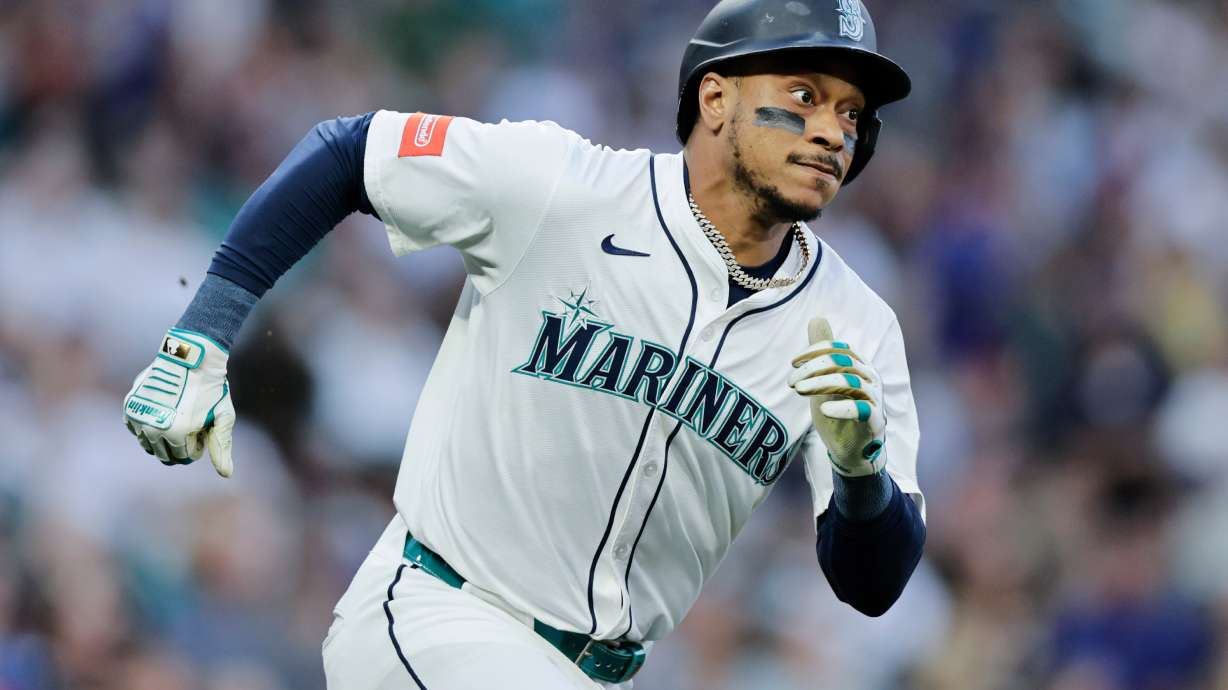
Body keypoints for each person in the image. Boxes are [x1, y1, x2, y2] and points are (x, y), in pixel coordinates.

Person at [121, 1, 926, 687]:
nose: (832, 131)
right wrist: (203, 334)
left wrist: (860, 478)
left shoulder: (856, 325)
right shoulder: (564, 186)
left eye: (851, 113)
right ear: (715, 98)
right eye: (804, 94)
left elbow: (873, 583)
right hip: (442, 610)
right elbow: (350, 153)